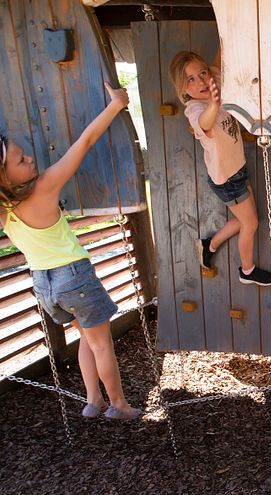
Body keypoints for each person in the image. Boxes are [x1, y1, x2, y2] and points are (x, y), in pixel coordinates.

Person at [0, 83, 141, 420]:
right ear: (4, 178)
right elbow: (85, 142)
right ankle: (118, 406)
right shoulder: (45, 187)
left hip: (45, 286)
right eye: (21, 160)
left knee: (86, 339)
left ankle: (93, 401)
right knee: (102, 343)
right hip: (73, 275)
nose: (30, 158)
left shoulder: (5, 210)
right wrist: (116, 104)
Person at [168, 50, 271, 286]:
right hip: (227, 180)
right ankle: (247, 271)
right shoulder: (195, 109)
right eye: (191, 79)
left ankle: (209, 245)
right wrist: (214, 104)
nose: (201, 81)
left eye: (202, 73)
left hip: (237, 170)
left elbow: (219, 55)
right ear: (183, 89)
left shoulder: (213, 80)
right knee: (251, 223)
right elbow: (204, 121)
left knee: (245, 219)